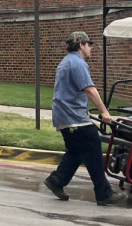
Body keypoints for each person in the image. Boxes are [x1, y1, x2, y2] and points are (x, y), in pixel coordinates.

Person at [43, 31, 119, 206]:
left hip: (64, 117)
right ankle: (104, 194)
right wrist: (104, 111)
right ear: (81, 45)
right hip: (74, 118)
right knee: (93, 148)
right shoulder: (78, 63)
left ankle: (56, 181)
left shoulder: (65, 62)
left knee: (76, 152)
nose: (91, 48)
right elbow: (90, 89)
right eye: (89, 44)